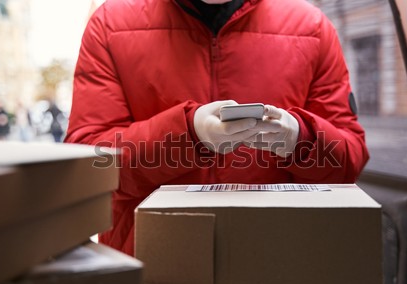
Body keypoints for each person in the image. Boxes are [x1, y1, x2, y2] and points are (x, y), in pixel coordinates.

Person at [65, 0, 369, 256]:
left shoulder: (312, 28)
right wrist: (189, 134)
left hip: (279, 257)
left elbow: (350, 162)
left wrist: (301, 139)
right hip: (151, 259)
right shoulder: (109, 24)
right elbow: (88, 162)